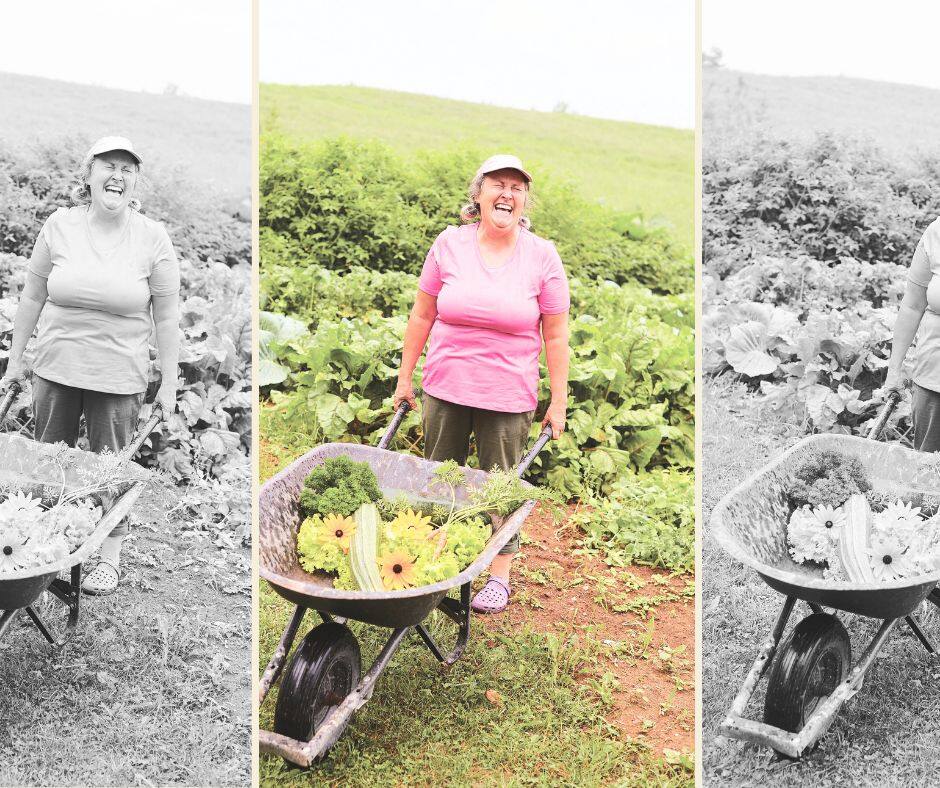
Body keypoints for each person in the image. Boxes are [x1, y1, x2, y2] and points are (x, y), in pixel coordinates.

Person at [0, 136, 181, 594]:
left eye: (127, 169)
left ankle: (108, 558)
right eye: (108, 165)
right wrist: (16, 361)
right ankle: (40, 549)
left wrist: (169, 383)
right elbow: (32, 296)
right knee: (47, 464)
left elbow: (166, 316)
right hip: (55, 368)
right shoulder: (59, 225)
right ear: (88, 174)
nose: (117, 175)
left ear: (135, 182)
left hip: (117, 377)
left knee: (107, 468)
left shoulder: (152, 237)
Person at [393, 154, 570, 614]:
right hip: (445, 387)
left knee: (499, 486)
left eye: (517, 187)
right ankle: (436, 563)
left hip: (507, 396)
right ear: (478, 193)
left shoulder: (542, 255)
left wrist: (559, 401)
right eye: (498, 184)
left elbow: (555, 334)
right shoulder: (449, 244)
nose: (507, 193)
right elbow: (422, 314)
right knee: (440, 479)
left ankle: (499, 576)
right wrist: (405, 378)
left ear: (524, 200)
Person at [885, 217, 940, 452]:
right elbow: (912, 305)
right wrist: (894, 370)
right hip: (934, 379)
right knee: (928, 465)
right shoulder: (937, 232)